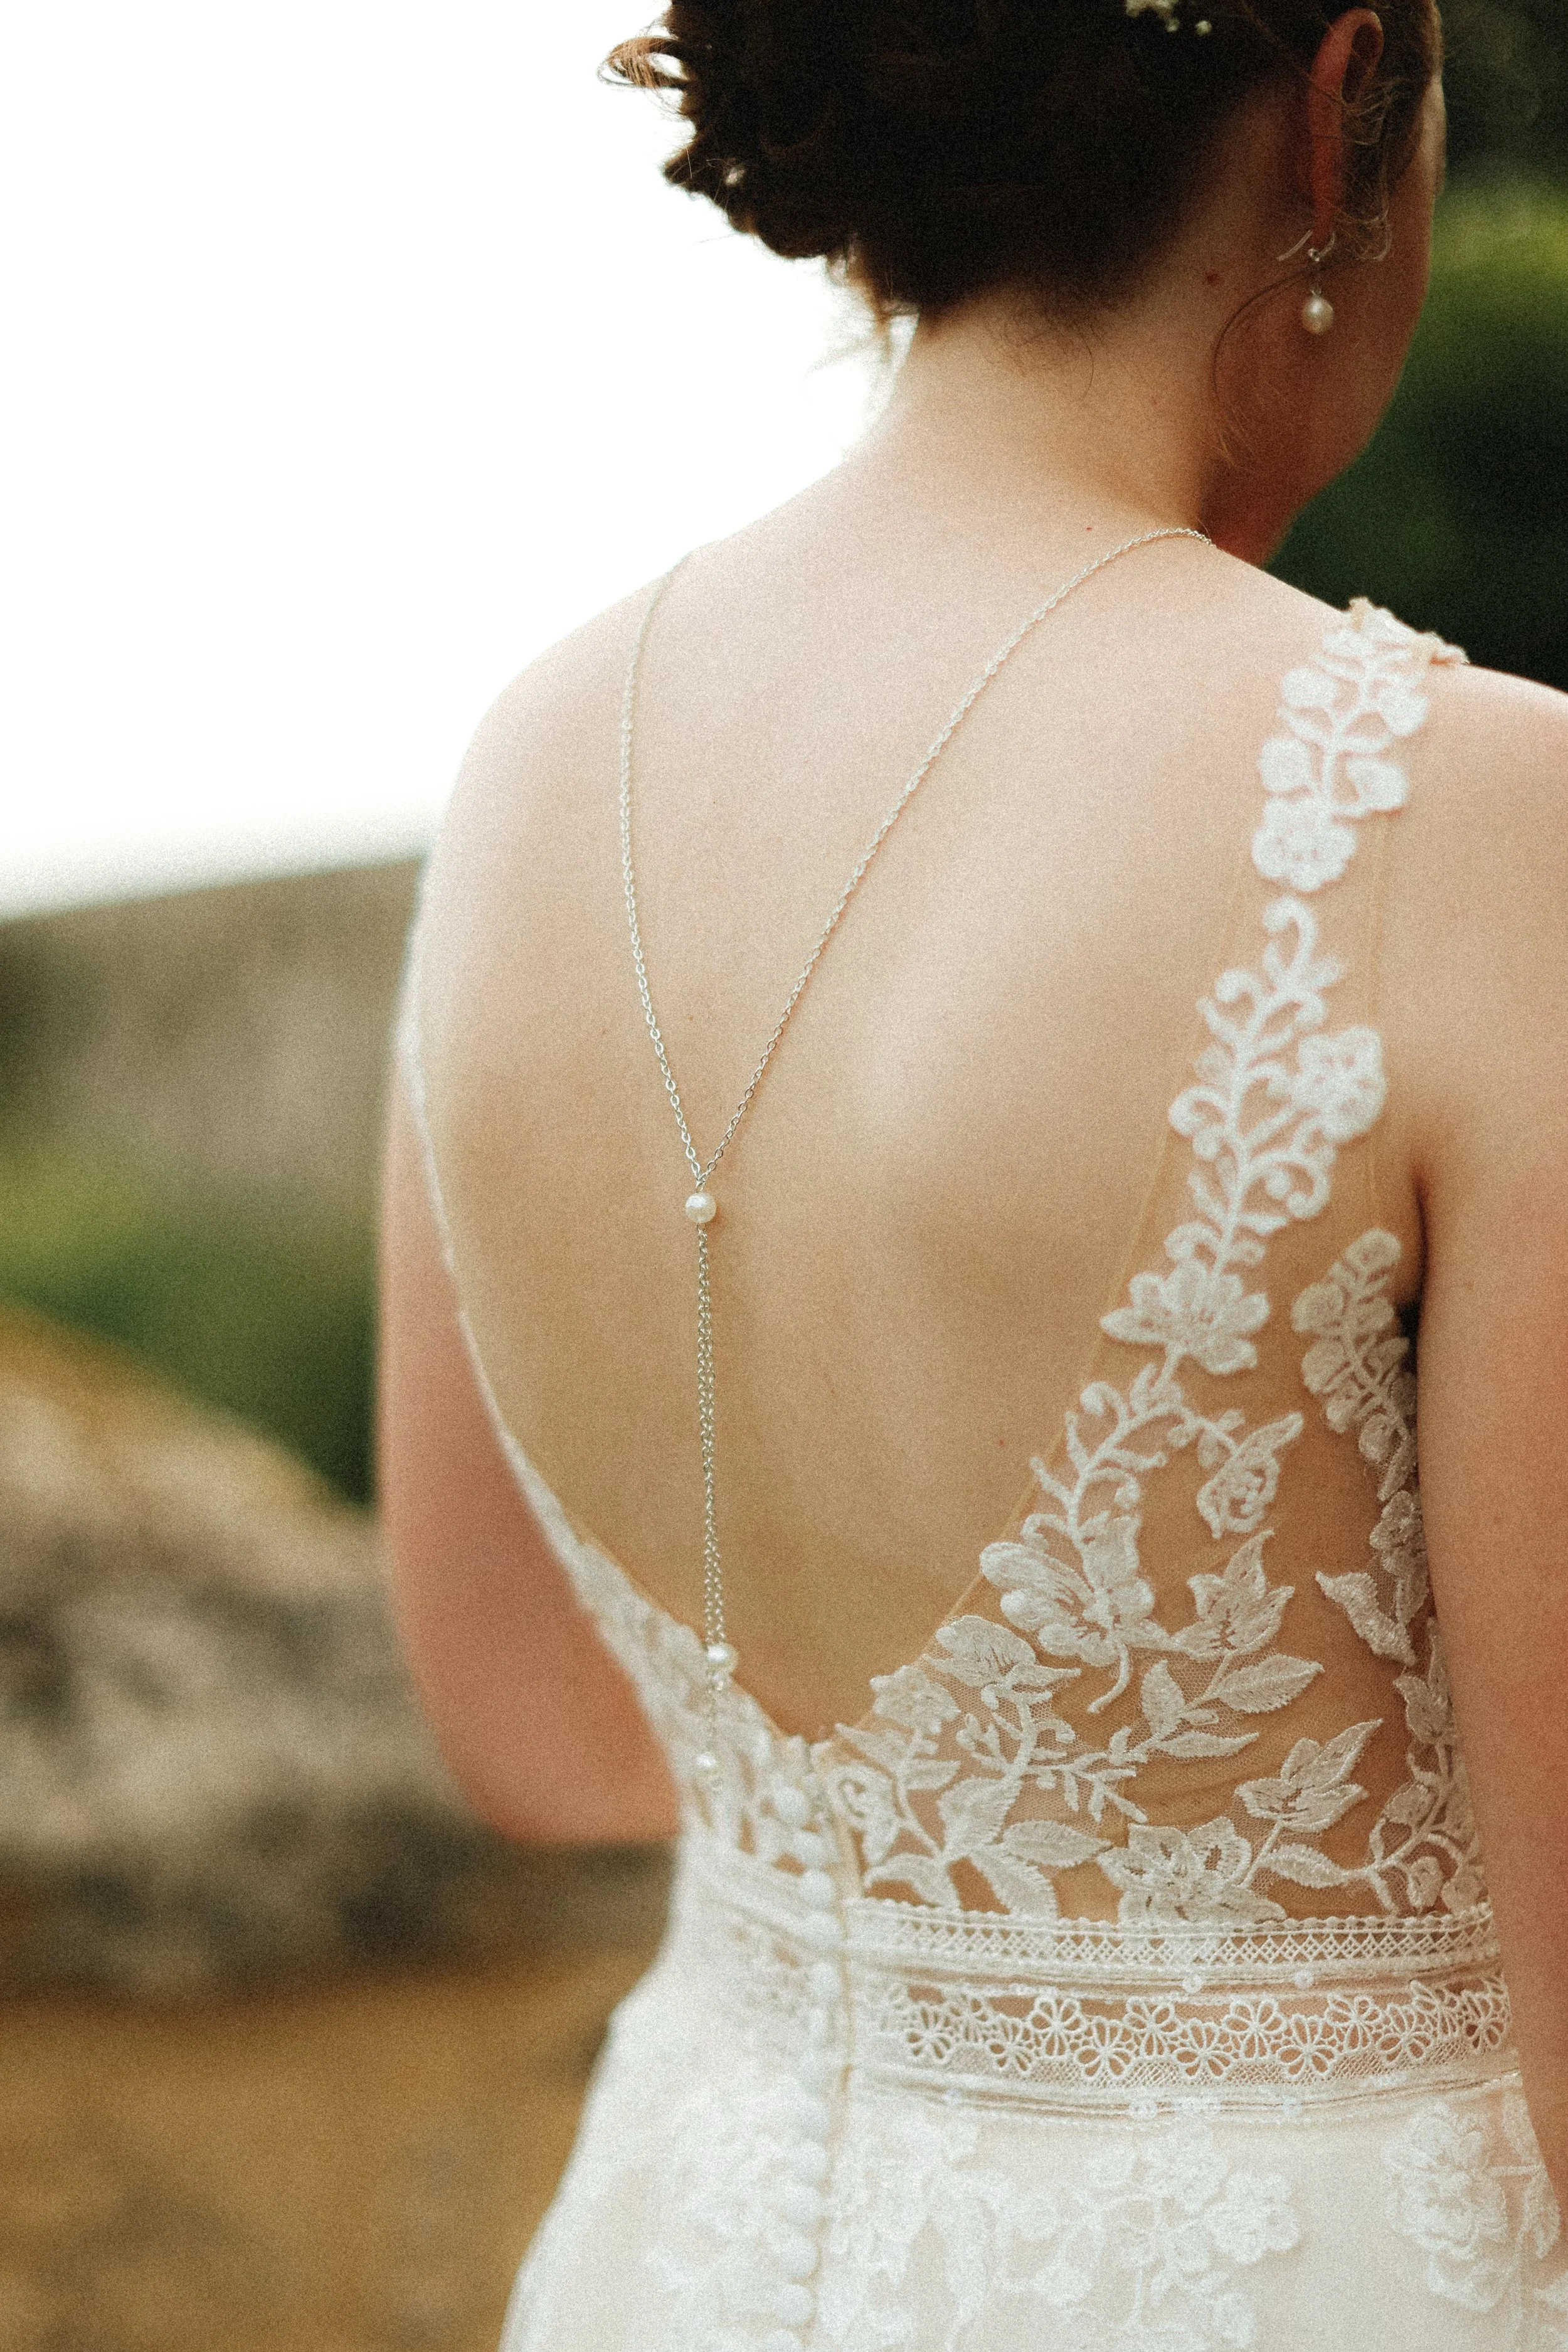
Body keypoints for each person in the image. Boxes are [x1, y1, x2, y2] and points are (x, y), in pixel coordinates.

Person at [379, 1, 1568, 2342]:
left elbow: (529, 1728)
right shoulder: (1471, 824)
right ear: (1340, 106)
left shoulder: (531, 761)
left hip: (679, 2255)